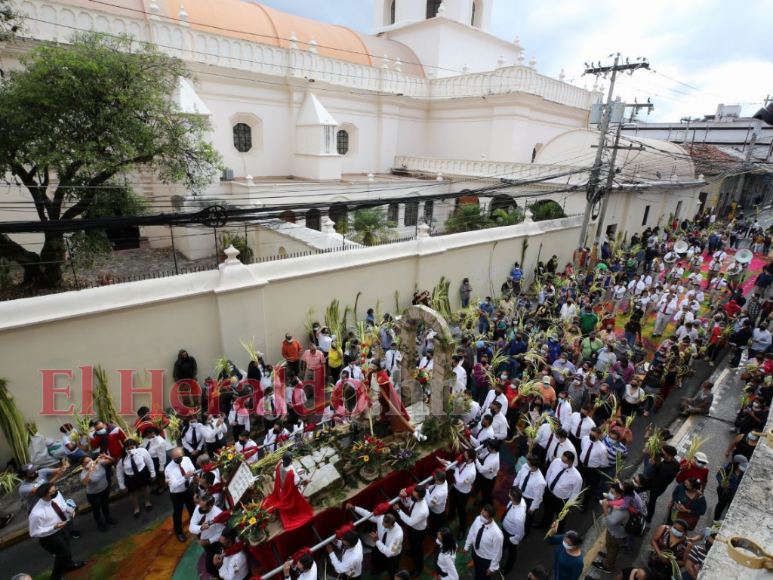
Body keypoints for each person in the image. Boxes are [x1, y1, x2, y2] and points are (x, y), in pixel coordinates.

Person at [28, 483, 85, 580]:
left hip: (62, 528)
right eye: (52, 492)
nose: (56, 492)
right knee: (62, 555)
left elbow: (63, 505)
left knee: (67, 548)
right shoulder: (36, 513)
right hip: (50, 537)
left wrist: (69, 510)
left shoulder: (57, 495)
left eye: (55, 489)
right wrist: (53, 527)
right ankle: (55, 577)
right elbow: (34, 532)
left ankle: (69, 565)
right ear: (44, 496)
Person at [349, 502, 402, 578]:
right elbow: (367, 514)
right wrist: (354, 508)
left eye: (386, 527)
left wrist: (377, 541)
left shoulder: (398, 535)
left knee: (392, 572)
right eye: (383, 525)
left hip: (392, 555)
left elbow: (389, 553)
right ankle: (379, 568)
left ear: (392, 525)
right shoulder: (381, 519)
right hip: (380, 546)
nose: (383, 528)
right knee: (375, 560)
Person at [538, 451, 582, 533]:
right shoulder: (556, 462)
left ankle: (558, 532)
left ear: (570, 462)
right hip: (549, 493)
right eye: (562, 459)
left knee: (560, 518)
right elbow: (549, 472)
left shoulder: (577, 477)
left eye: (564, 461)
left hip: (561, 500)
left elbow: (575, 493)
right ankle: (543, 524)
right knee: (548, 511)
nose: (561, 462)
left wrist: (567, 505)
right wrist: (546, 484)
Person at [592, 484, 630, 573]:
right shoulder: (618, 501)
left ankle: (607, 566)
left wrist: (605, 507)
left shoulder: (621, 510)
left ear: (619, 496)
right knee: (612, 548)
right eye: (610, 491)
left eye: (612, 492)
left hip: (616, 535)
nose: (609, 493)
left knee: (612, 548)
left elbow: (611, 521)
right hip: (614, 532)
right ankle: (610, 558)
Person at [393, 484, 429, 577]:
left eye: (414, 496)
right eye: (412, 494)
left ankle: (419, 567)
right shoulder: (415, 499)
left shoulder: (423, 510)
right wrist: (402, 496)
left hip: (418, 531)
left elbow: (410, 522)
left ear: (420, 497)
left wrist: (398, 510)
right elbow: (407, 503)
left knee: (418, 550)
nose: (411, 496)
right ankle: (412, 551)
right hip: (412, 529)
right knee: (411, 543)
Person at [116, 438, 155, 518]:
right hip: (130, 477)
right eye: (128, 449)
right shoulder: (122, 459)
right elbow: (119, 473)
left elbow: (149, 462)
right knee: (133, 493)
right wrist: (122, 485)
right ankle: (136, 508)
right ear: (125, 449)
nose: (130, 450)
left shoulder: (142, 452)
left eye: (132, 448)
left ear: (135, 446)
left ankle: (147, 502)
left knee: (145, 487)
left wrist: (152, 473)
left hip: (142, 473)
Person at [462, 504, 503, 580]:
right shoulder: (478, 519)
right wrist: (467, 545)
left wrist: (492, 568)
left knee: (484, 577)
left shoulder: (497, 534)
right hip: (475, 553)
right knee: (477, 572)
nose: (481, 517)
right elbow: (472, 532)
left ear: (490, 518)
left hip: (485, 560)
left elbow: (497, 553)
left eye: (484, 516)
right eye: (481, 513)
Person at [442, 449, 477, 537]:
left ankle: (462, 529)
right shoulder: (465, 463)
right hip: (455, 488)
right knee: (452, 503)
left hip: (463, 493)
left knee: (461, 511)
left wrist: (456, 470)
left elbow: (459, 481)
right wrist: (447, 462)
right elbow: (456, 466)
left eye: (465, 456)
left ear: (470, 459)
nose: (463, 457)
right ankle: (451, 515)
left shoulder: (471, 472)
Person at [189, 493, 226, 578]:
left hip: (213, 544)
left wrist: (208, 541)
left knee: (211, 567)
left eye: (203, 507)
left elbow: (221, 533)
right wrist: (200, 528)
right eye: (200, 505)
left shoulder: (218, 515)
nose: (199, 508)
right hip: (203, 541)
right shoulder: (198, 508)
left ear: (210, 507)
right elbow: (191, 527)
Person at [165, 447, 195, 542]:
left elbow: (192, 469)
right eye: (176, 458)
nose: (179, 459)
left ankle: (194, 524)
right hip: (177, 493)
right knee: (178, 513)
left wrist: (190, 478)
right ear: (172, 457)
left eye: (180, 457)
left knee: (192, 507)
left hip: (188, 489)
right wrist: (185, 477)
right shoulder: (168, 469)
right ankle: (178, 532)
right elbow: (173, 485)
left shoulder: (186, 459)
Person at [79, 454, 116, 532]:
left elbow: (112, 460)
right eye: (87, 462)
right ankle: (100, 524)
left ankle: (108, 518)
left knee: (105, 505)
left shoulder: (99, 463)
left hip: (104, 488)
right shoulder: (83, 474)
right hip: (94, 494)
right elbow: (85, 483)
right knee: (97, 509)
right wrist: (90, 470)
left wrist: (106, 456)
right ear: (83, 465)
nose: (90, 462)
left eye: (90, 460)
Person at [645, 444, 680, 524]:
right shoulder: (675, 463)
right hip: (661, 487)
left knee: (651, 502)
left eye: (662, 451)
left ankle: (648, 519)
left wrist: (646, 484)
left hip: (656, 488)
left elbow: (657, 481)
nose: (660, 452)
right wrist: (655, 465)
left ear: (668, 454)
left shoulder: (666, 469)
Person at [513, 455, 545, 532]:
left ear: (533, 467)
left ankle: (525, 531)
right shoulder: (525, 466)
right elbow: (519, 476)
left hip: (528, 499)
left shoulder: (540, 481)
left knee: (527, 518)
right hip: (520, 493)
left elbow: (538, 497)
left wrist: (532, 508)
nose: (526, 464)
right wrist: (514, 486)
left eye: (528, 464)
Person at [500, 487, 526, 574]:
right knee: (501, 545)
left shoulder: (518, 516)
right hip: (505, 529)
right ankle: (498, 558)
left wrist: (513, 539)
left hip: (510, 534)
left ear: (513, 498)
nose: (508, 494)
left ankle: (508, 567)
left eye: (510, 494)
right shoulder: (515, 502)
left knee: (512, 552)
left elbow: (521, 532)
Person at [714, 455, 748, 521]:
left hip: (734, 493)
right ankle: (715, 519)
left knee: (731, 507)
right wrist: (722, 483)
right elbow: (718, 476)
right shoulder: (726, 469)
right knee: (721, 505)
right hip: (724, 491)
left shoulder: (744, 473)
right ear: (736, 464)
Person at [474, 440, 501, 507]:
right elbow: (484, 455)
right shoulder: (492, 452)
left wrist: (476, 459)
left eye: (489, 448)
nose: (487, 449)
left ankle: (489, 507)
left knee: (487, 494)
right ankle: (484, 502)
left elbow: (481, 470)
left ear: (494, 450)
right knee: (484, 493)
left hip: (488, 480)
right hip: (486, 476)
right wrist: (478, 456)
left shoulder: (493, 461)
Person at [426, 470, 449, 535]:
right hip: (437, 511)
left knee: (437, 527)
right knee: (432, 523)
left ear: (439, 481)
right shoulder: (444, 481)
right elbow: (434, 486)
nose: (434, 479)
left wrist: (427, 490)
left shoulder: (439, 493)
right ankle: (431, 531)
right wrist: (428, 488)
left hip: (437, 513)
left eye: (435, 479)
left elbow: (430, 504)